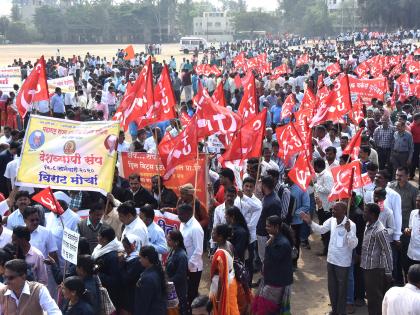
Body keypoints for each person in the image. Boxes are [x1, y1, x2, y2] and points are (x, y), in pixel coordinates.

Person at [301, 202, 358, 315]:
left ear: (343, 211)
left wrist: (349, 231)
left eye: (335, 209)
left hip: (342, 263)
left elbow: (353, 245)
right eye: (332, 209)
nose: (332, 211)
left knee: (342, 291)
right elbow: (321, 229)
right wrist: (310, 222)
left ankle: (341, 312)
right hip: (331, 260)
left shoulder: (351, 225)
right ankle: (335, 311)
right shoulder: (331, 220)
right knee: (332, 288)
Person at [252, 215, 293, 315]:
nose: (266, 228)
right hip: (270, 280)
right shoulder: (275, 239)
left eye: (269, 226)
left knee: (267, 309)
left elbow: (274, 260)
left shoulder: (282, 243)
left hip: (276, 282)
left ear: (276, 227)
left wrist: (268, 245)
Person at [361, 203, 393, 315]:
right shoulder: (368, 224)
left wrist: (388, 272)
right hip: (366, 266)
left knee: (376, 299)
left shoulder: (380, 230)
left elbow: (388, 251)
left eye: (365, 211)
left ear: (373, 214)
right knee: (370, 297)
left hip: (375, 269)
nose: (363, 213)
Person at [209, 224, 240, 315]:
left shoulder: (220, 253)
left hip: (222, 286)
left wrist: (218, 299)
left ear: (220, 237)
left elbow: (221, 279)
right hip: (231, 279)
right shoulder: (229, 244)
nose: (211, 234)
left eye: (214, 233)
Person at [178, 204, 204, 308]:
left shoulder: (196, 228)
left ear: (188, 214)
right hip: (184, 264)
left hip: (193, 268)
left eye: (180, 214)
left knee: (192, 294)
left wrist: (188, 266)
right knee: (185, 291)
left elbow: (198, 250)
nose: (178, 217)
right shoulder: (183, 223)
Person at [91, 226, 123, 309]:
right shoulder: (100, 248)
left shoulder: (112, 257)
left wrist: (97, 273)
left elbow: (114, 279)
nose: (97, 237)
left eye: (99, 236)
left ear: (105, 239)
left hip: (109, 293)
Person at [256, 175, 285, 265]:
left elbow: (274, 223)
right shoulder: (268, 197)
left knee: (265, 258)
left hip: (265, 236)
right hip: (262, 233)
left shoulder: (273, 202)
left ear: (264, 185)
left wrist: (271, 237)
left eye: (260, 183)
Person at [135, 245, 167, 315]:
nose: (139, 260)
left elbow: (144, 304)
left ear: (146, 258)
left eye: (140, 258)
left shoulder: (148, 278)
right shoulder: (157, 271)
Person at [119, 234, 145, 315]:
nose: (125, 250)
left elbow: (127, 279)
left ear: (134, 246)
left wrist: (121, 263)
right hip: (125, 293)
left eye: (127, 247)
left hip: (132, 294)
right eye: (124, 247)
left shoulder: (137, 261)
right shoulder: (128, 257)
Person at [166, 230, 188, 315]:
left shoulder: (182, 256)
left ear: (176, 242)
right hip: (171, 287)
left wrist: (167, 283)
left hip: (178, 290)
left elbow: (180, 275)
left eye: (169, 240)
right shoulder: (173, 250)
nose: (167, 241)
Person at [404, 194, 420, 271]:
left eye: (419, 201)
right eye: (417, 200)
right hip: (411, 254)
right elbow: (411, 228)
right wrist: (407, 230)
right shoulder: (413, 213)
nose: (417, 203)